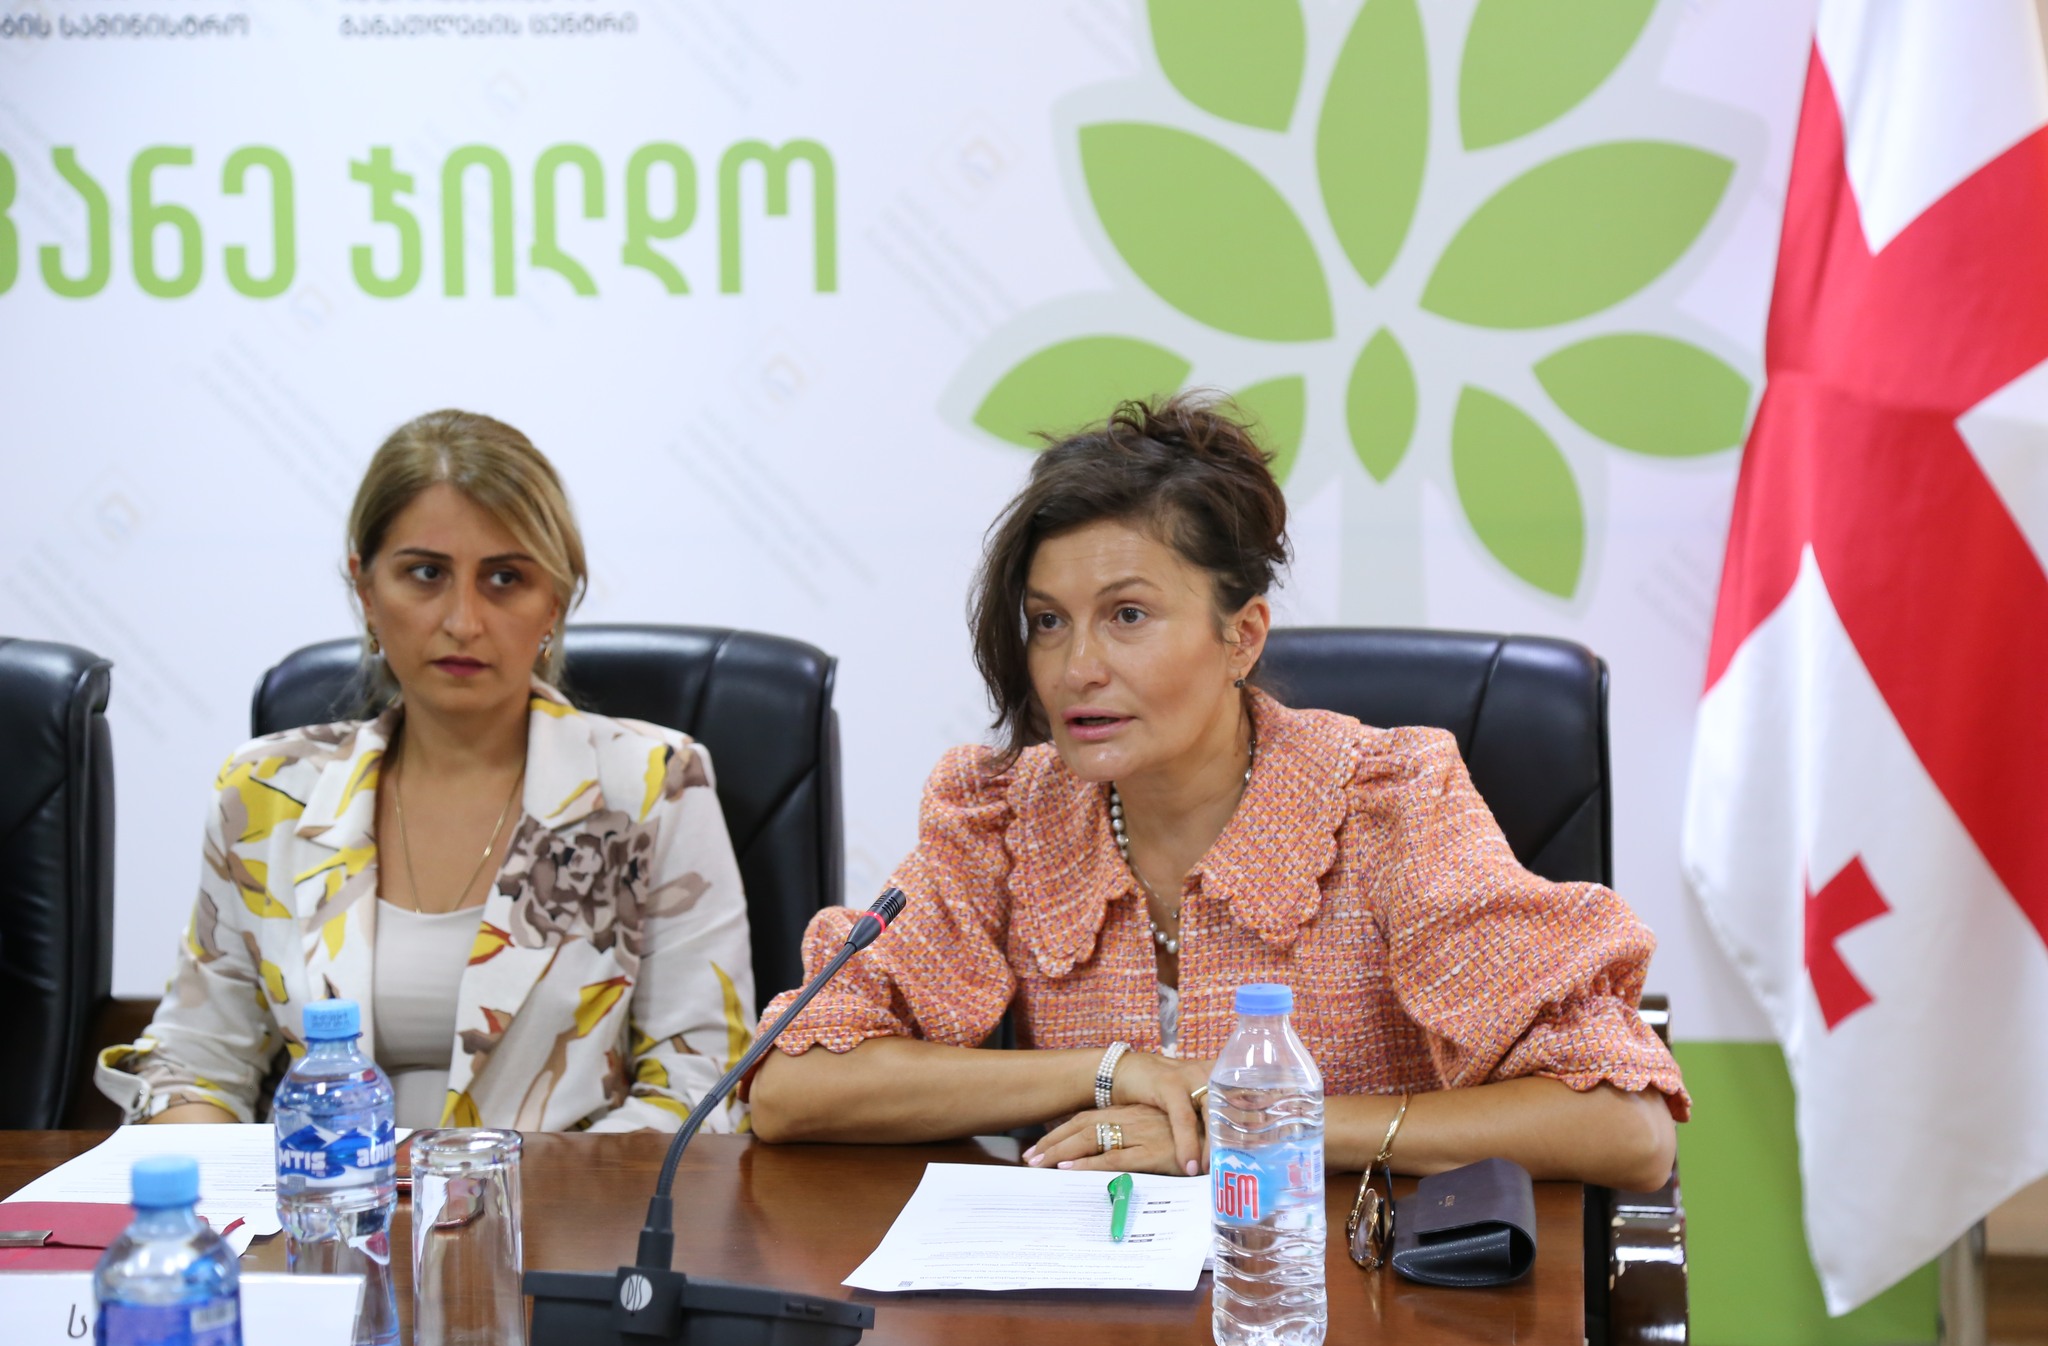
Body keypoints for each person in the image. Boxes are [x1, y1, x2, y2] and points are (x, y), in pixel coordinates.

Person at [749, 394, 1685, 1188]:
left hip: (1344, 1296)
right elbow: (790, 1086)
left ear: (1242, 637)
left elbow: (1623, 1125)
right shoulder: (1004, 813)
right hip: (1091, 1305)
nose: (1077, 667)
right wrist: (1111, 1072)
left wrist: (1254, 1126)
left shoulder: (1388, 803)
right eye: (1048, 622)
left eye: (1127, 614)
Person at [97, 410, 756, 1133]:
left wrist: (481, 1191)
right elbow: (193, 1062)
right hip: (320, 1200)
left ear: (554, 603)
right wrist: (230, 1173)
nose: (463, 621)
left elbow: (700, 1083)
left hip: (565, 1203)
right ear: (366, 590)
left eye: (504, 578)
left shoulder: (655, 784)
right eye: (426, 574)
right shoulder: (263, 793)